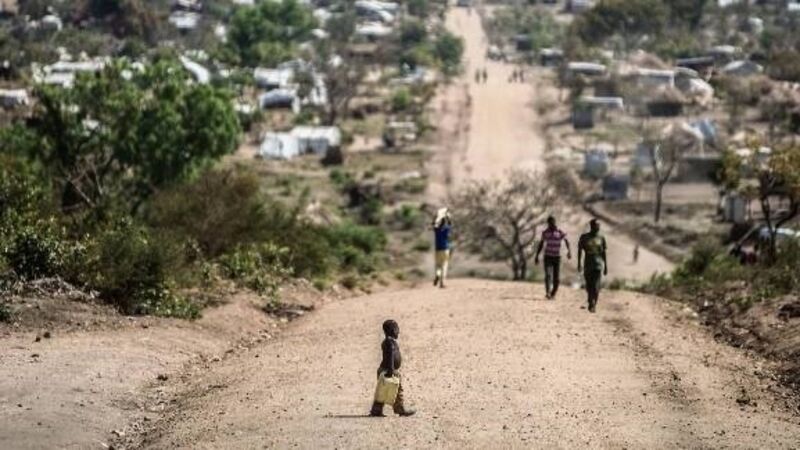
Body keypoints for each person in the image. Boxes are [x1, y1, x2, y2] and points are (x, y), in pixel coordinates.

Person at [370, 320, 415, 417]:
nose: (398, 332)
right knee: (396, 390)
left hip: (386, 369)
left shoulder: (389, 342)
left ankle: (377, 410)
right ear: (392, 330)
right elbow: (390, 356)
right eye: (397, 330)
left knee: (382, 390)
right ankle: (399, 408)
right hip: (388, 370)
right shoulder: (390, 343)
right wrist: (391, 370)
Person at [534, 216, 571, 299]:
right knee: (548, 275)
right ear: (548, 223)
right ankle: (548, 292)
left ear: (555, 222)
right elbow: (541, 244)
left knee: (556, 278)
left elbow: (566, 241)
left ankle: (553, 293)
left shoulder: (560, 231)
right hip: (548, 256)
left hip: (557, 257)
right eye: (550, 223)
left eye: (553, 222)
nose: (552, 224)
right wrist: (537, 255)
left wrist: (569, 251)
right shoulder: (545, 232)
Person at [577, 219, 608, 313]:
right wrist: (579, 263)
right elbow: (579, 250)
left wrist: (606, 266)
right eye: (596, 225)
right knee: (589, 285)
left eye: (599, 225)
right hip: (588, 264)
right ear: (591, 226)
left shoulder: (601, 238)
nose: (598, 227)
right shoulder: (584, 237)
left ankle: (593, 304)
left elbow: (603, 252)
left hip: (598, 265)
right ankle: (591, 300)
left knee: (596, 286)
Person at [433, 208, 453, 288]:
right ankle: (442, 283)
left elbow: (434, 224)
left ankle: (437, 274)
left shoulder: (436, 229)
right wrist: (448, 217)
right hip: (445, 249)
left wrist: (437, 217)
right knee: (444, 266)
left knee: (438, 265)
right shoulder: (446, 229)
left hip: (437, 249)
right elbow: (450, 224)